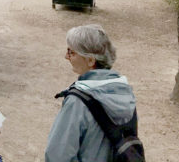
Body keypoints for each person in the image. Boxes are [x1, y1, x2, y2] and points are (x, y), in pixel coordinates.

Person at [45, 25, 138, 162]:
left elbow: (57, 156)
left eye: (71, 52)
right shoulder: (125, 93)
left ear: (90, 60)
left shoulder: (77, 102)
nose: (66, 56)